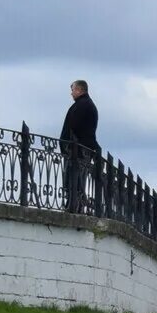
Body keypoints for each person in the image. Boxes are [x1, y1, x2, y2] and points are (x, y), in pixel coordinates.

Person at [58, 78, 101, 213]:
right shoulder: (86, 105)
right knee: (76, 180)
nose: (71, 93)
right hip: (80, 149)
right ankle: (76, 205)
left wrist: (68, 146)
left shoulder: (82, 105)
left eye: (72, 90)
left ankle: (74, 206)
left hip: (78, 151)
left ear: (79, 90)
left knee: (75, 179)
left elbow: (75, 127)